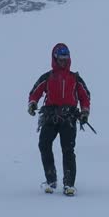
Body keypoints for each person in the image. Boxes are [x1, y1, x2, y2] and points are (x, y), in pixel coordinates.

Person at [27, 42, 90, 196]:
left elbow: (85, 96)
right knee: (44, 145)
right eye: (60, 58)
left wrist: (85, 112)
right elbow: (35, 91)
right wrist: (32, 103)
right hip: (50, 117)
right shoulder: (47, 77)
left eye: (65, 58)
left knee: (68, 150)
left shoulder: (75, 78)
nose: (63, 61)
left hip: (68, 118)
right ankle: (51, 180)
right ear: (55, 59)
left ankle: (69, 184)